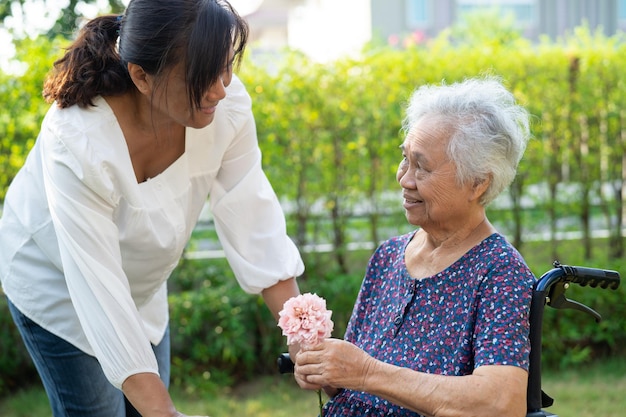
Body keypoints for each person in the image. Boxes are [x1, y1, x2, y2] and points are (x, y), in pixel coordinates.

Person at [0, 1, 303, 416]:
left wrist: (304, 334)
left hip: (138, 285)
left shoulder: (225, 105)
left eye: (225, 66)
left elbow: (254, 219)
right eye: (201, 77)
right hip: (59, 283)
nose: (219, 88)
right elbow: (99, 291)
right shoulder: (78, 140)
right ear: (141, 76)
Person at [294, 77, 535, 417]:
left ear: (478, 183)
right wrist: (327, 368)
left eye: (422, 166)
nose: (404, 179)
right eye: (405, 159)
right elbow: (356, 384)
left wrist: (365, 372)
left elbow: (500, 403)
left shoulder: (499, 272)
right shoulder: (388, 256)